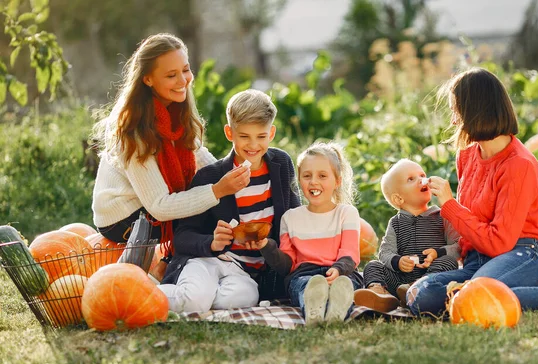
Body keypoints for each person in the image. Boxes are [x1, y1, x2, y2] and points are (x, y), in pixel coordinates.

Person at [407, 67, 538, 316]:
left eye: (457, 110)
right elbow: (473, 226)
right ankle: (473, 292)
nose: (453, 120)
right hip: (479, 258)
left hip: (525, 254)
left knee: (476, 296)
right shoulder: (467, 155)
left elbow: (499, 242)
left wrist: (450, 205)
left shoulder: (519, 165)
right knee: (422, 294)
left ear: (474, 110)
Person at [92, 33, 249, 255]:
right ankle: (175, 267)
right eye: (171, 75)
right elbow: (160, 206)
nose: (183, 80)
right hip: (123, 218)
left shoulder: (176, 111)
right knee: (204, 216)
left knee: (215, 203)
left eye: (185, 70)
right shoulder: (133, 129)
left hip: (151, 205)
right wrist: (217, 190)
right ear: (148, 79)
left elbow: (199, 157)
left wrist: (237, 174)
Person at [159, 89, 301, 313]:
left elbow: (294, 218)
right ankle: (139, 289)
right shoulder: (211, 177)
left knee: (240, 300)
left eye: (261, 136)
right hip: (207, 259)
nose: (253, 146)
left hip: (243, 272)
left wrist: (269, 247)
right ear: (229, 133)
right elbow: (182, 236)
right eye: (244, 136)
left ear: (271, 133)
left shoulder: (281, 164)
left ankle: (195, 295)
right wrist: (211, 243)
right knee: (193, 302)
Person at [250, 142, 364, 326]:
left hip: (342, 272)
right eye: (307, 176)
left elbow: (350, 253)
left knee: (345, 284)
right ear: (299, 181)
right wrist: (267, 246)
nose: (313, 182)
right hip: (304, 275)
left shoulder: (347, 213)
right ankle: (314, 310)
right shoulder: (290, 218)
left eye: (322, 176)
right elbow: (288, 264)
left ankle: (337, 309)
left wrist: (338, 269)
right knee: (303, 285)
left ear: (337, 181)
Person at [353, 159, 460, 312]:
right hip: (400, 281)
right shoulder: (396, 223)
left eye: (422, 175)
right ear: (399, 199)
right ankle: (378, 293)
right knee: (373, 266)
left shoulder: (442, 216)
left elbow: (457, 246)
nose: (421, 180)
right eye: (411, 179)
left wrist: (438, 252)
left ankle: (417, 289)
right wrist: (398, 261)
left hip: (429, 277)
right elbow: (385, 252)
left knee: (449, 262)